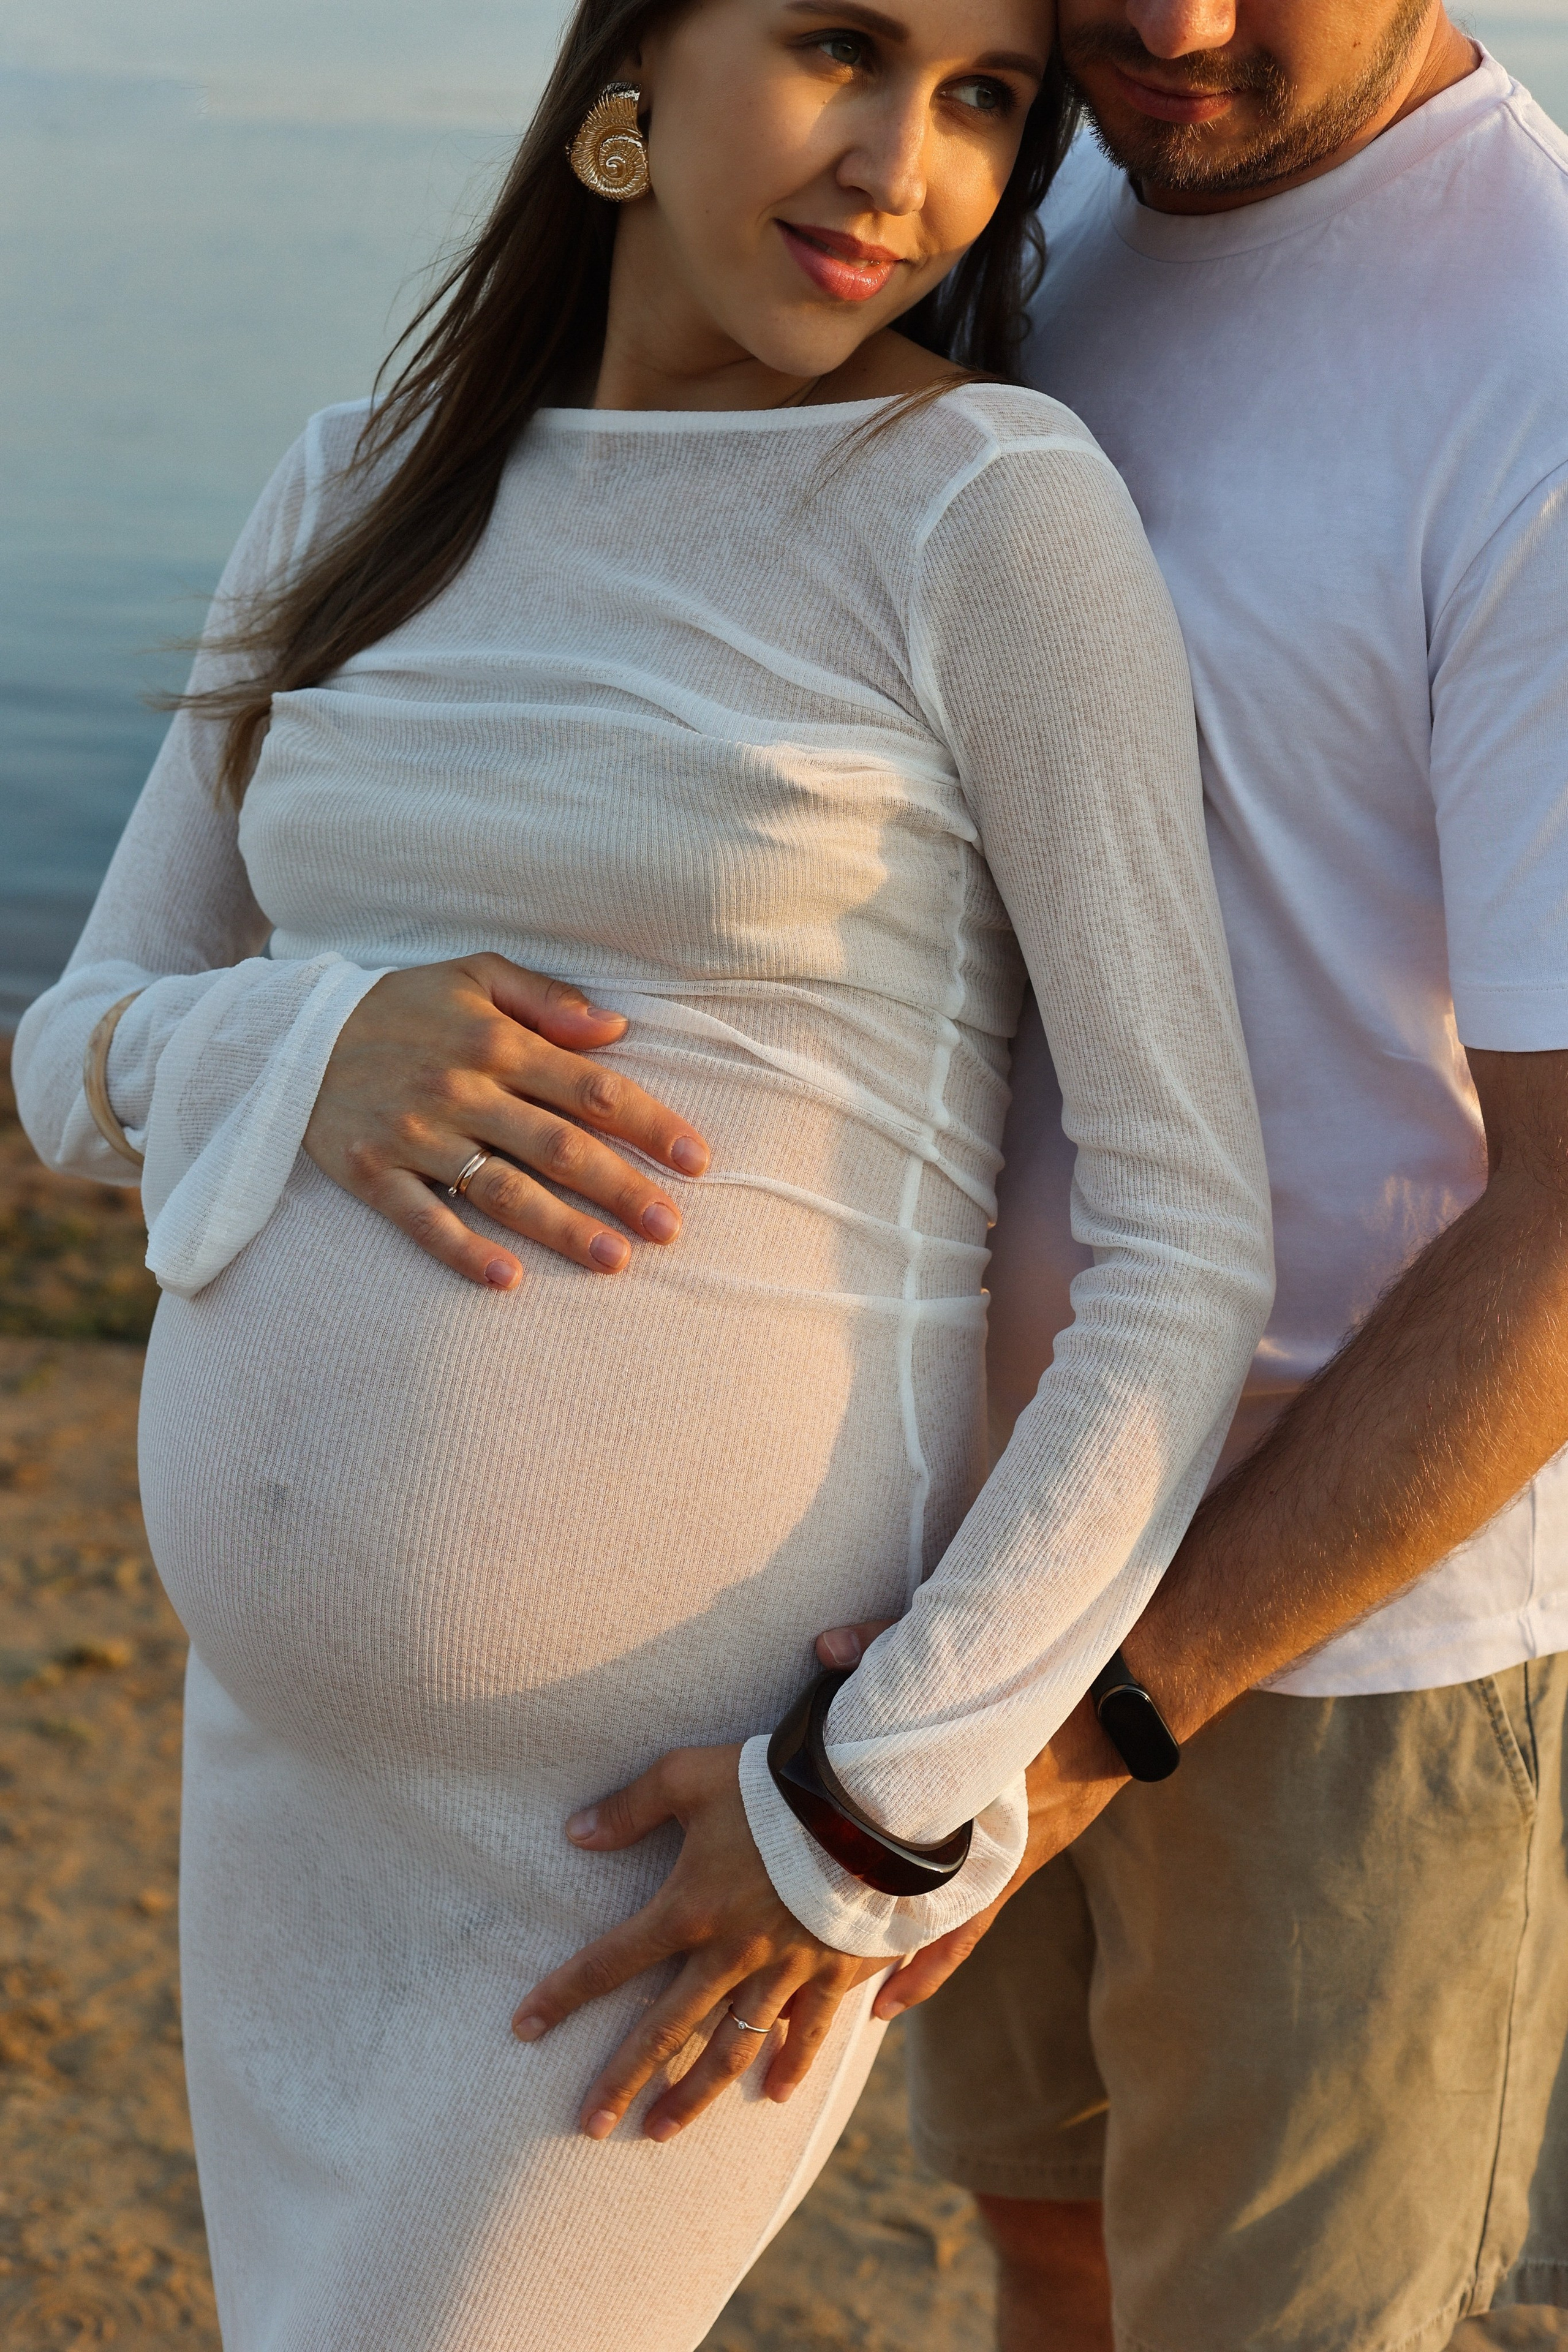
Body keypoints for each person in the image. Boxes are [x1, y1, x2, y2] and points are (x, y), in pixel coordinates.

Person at [12, 0, 1274, 2342]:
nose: (902, 162)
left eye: (988, 98)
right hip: (287, 1784)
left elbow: (1187, 1241)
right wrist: (311, 1032)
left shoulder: (986, 503)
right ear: (631, 78)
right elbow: (73, 1059)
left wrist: (876, 1799)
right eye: (838, 47)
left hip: (677, 1838)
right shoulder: (356, 477)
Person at [812, 4, 1568, 2348]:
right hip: (971, 1551)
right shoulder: (1040, 228)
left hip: (1327, 1642)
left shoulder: (1534, 347)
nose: (1174, 25)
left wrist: (1108, 1719)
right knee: (1053, 2245)